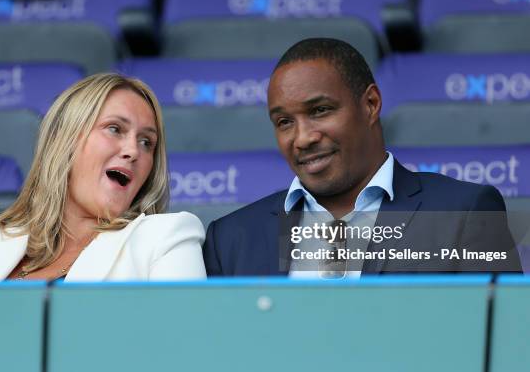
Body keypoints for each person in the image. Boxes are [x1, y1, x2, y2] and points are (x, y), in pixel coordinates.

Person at [203, 38, 521, 277]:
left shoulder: (462, 212)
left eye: (320, 111)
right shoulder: (230, 239)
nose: (302, 138)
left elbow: (503, 347)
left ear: (370, 104)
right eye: (284, 122)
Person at [0, 73, 206, 282]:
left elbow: (184, 340)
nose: (133, 151)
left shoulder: (166, 238)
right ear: (64, 140)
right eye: (114, 129)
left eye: (146, 142)